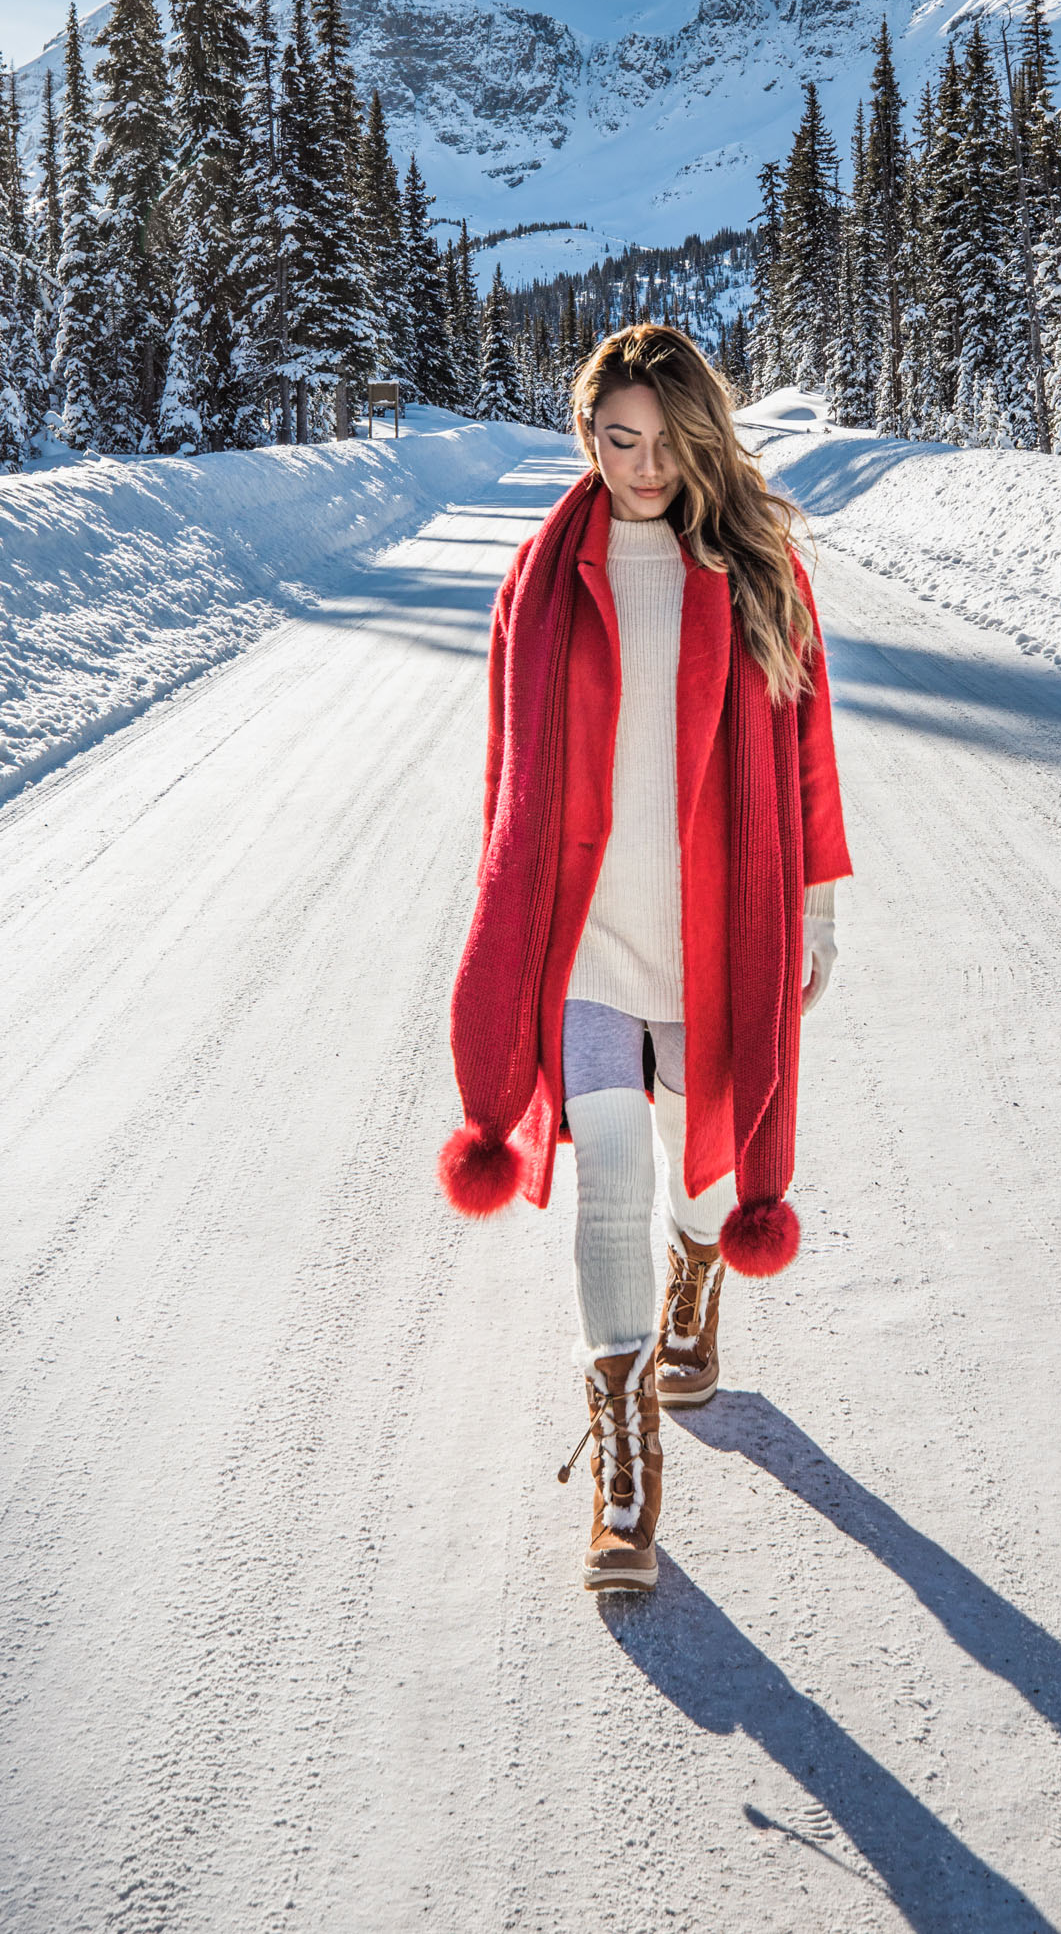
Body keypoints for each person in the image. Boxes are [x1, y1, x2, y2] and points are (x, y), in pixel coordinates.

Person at [439, 322, 851, 1593]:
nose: (646, 467)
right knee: (609, 1171)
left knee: (704, 1175)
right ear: (587, 434)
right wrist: (509, 909)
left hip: (718, 927)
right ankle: (626, 1477)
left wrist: (818, 908)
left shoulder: (759, 556)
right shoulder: (539, 574)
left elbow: (807, 745)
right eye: (621, 441)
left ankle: (698, 1271)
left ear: (702, 435)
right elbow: (512, 769)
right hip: (588, 938)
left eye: (670, 443)